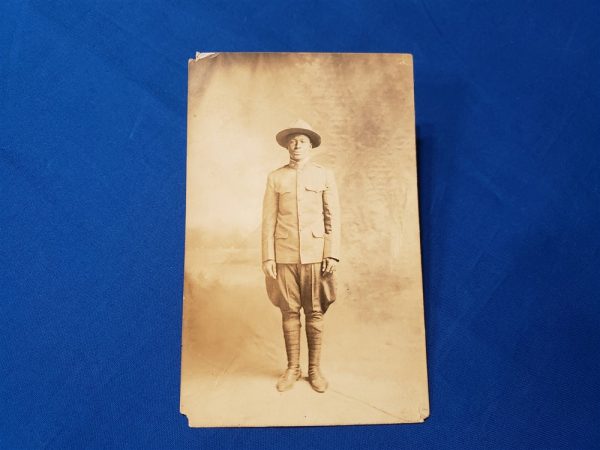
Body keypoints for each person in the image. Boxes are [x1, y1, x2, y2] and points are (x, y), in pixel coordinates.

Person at [261, 119, 340, 393]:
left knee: (315, 312)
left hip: (317, 255)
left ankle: (314, 370)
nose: (297, 145)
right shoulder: (276, 177)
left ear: (310, 146)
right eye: (292, 141)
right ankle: (292, 368)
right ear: (286, 146)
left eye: (302, 141)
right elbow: (268, 220)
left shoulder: (324, 175)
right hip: (284, 256)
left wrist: (331, 253)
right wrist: (268, 257)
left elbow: (333, 218)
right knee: (289, 311)